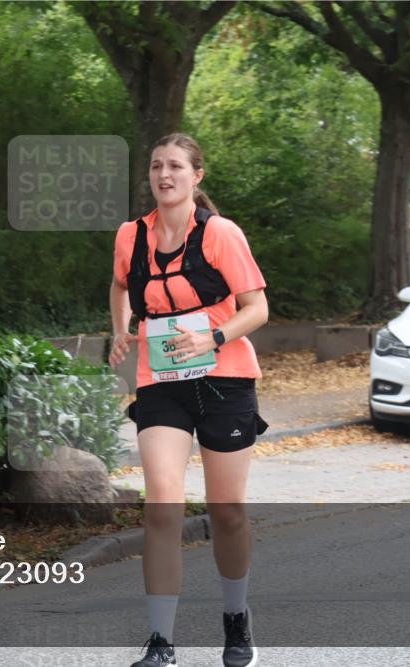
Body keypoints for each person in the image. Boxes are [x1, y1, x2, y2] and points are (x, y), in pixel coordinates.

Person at [110, 133, 268, 667]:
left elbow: (257, 308)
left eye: (175, 166)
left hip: (225, 380)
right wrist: (120, 328)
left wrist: (213, 338)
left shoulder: (220, 233)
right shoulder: (131, 236)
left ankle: (235, 617)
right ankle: (161, 642)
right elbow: (118, 286)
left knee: (227, 512)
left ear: (196, 176)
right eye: (156, 166)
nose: (164, 174)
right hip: (161, 382)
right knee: (161, 504)